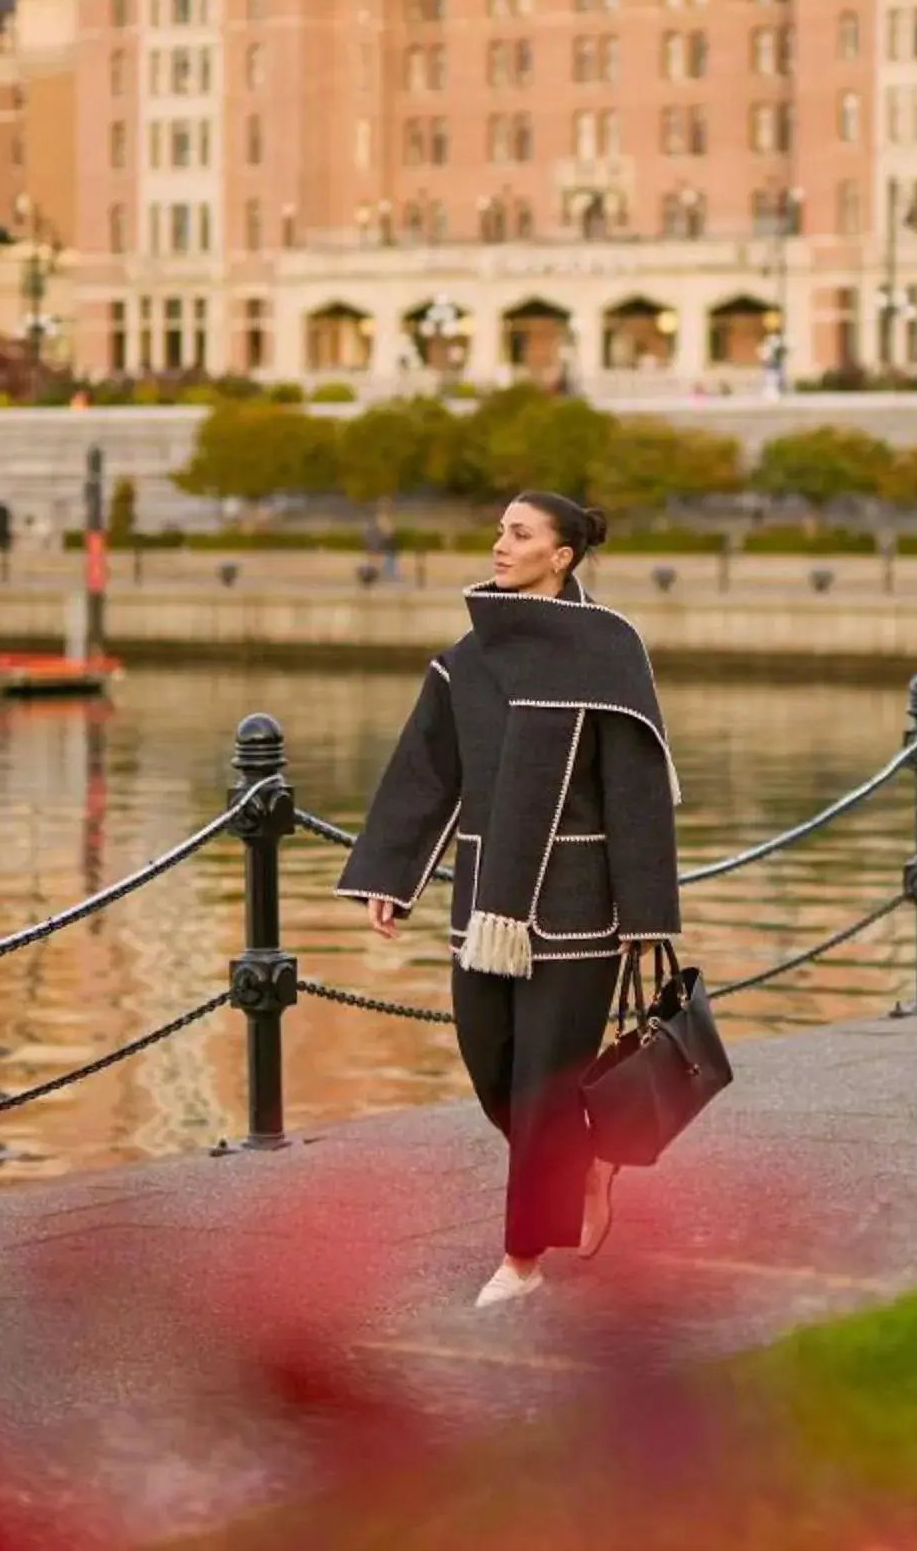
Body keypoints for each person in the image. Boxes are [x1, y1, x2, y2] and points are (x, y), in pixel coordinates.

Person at [335, 491, 683, 1308]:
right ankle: (587, 1158)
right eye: (499, 530)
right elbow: (430, 767)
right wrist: (391, 873)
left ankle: (522, 1259)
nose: (499, 544)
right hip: (483, 906)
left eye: (518, 534)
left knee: (543, 1086)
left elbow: (634, 787)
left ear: (561, 556)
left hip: (580, 908)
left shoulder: (610, 648)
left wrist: (646, 916)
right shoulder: (469, 655)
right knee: (493, 1069)